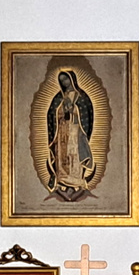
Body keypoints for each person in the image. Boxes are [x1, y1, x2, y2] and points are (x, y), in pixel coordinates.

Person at [44, 69, 95, 201]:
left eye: (66, 79)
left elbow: (87, 115)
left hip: (76, 131)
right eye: (61, 81)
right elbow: (51, 113)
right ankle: (62, 183)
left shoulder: (82, 97)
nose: (64, 82)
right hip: (61, 132)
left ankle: (76, 183)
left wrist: (74, 111)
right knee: (62, 155)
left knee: (75, 156)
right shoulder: (59, 97)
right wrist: (60, 113)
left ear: (72, 79)